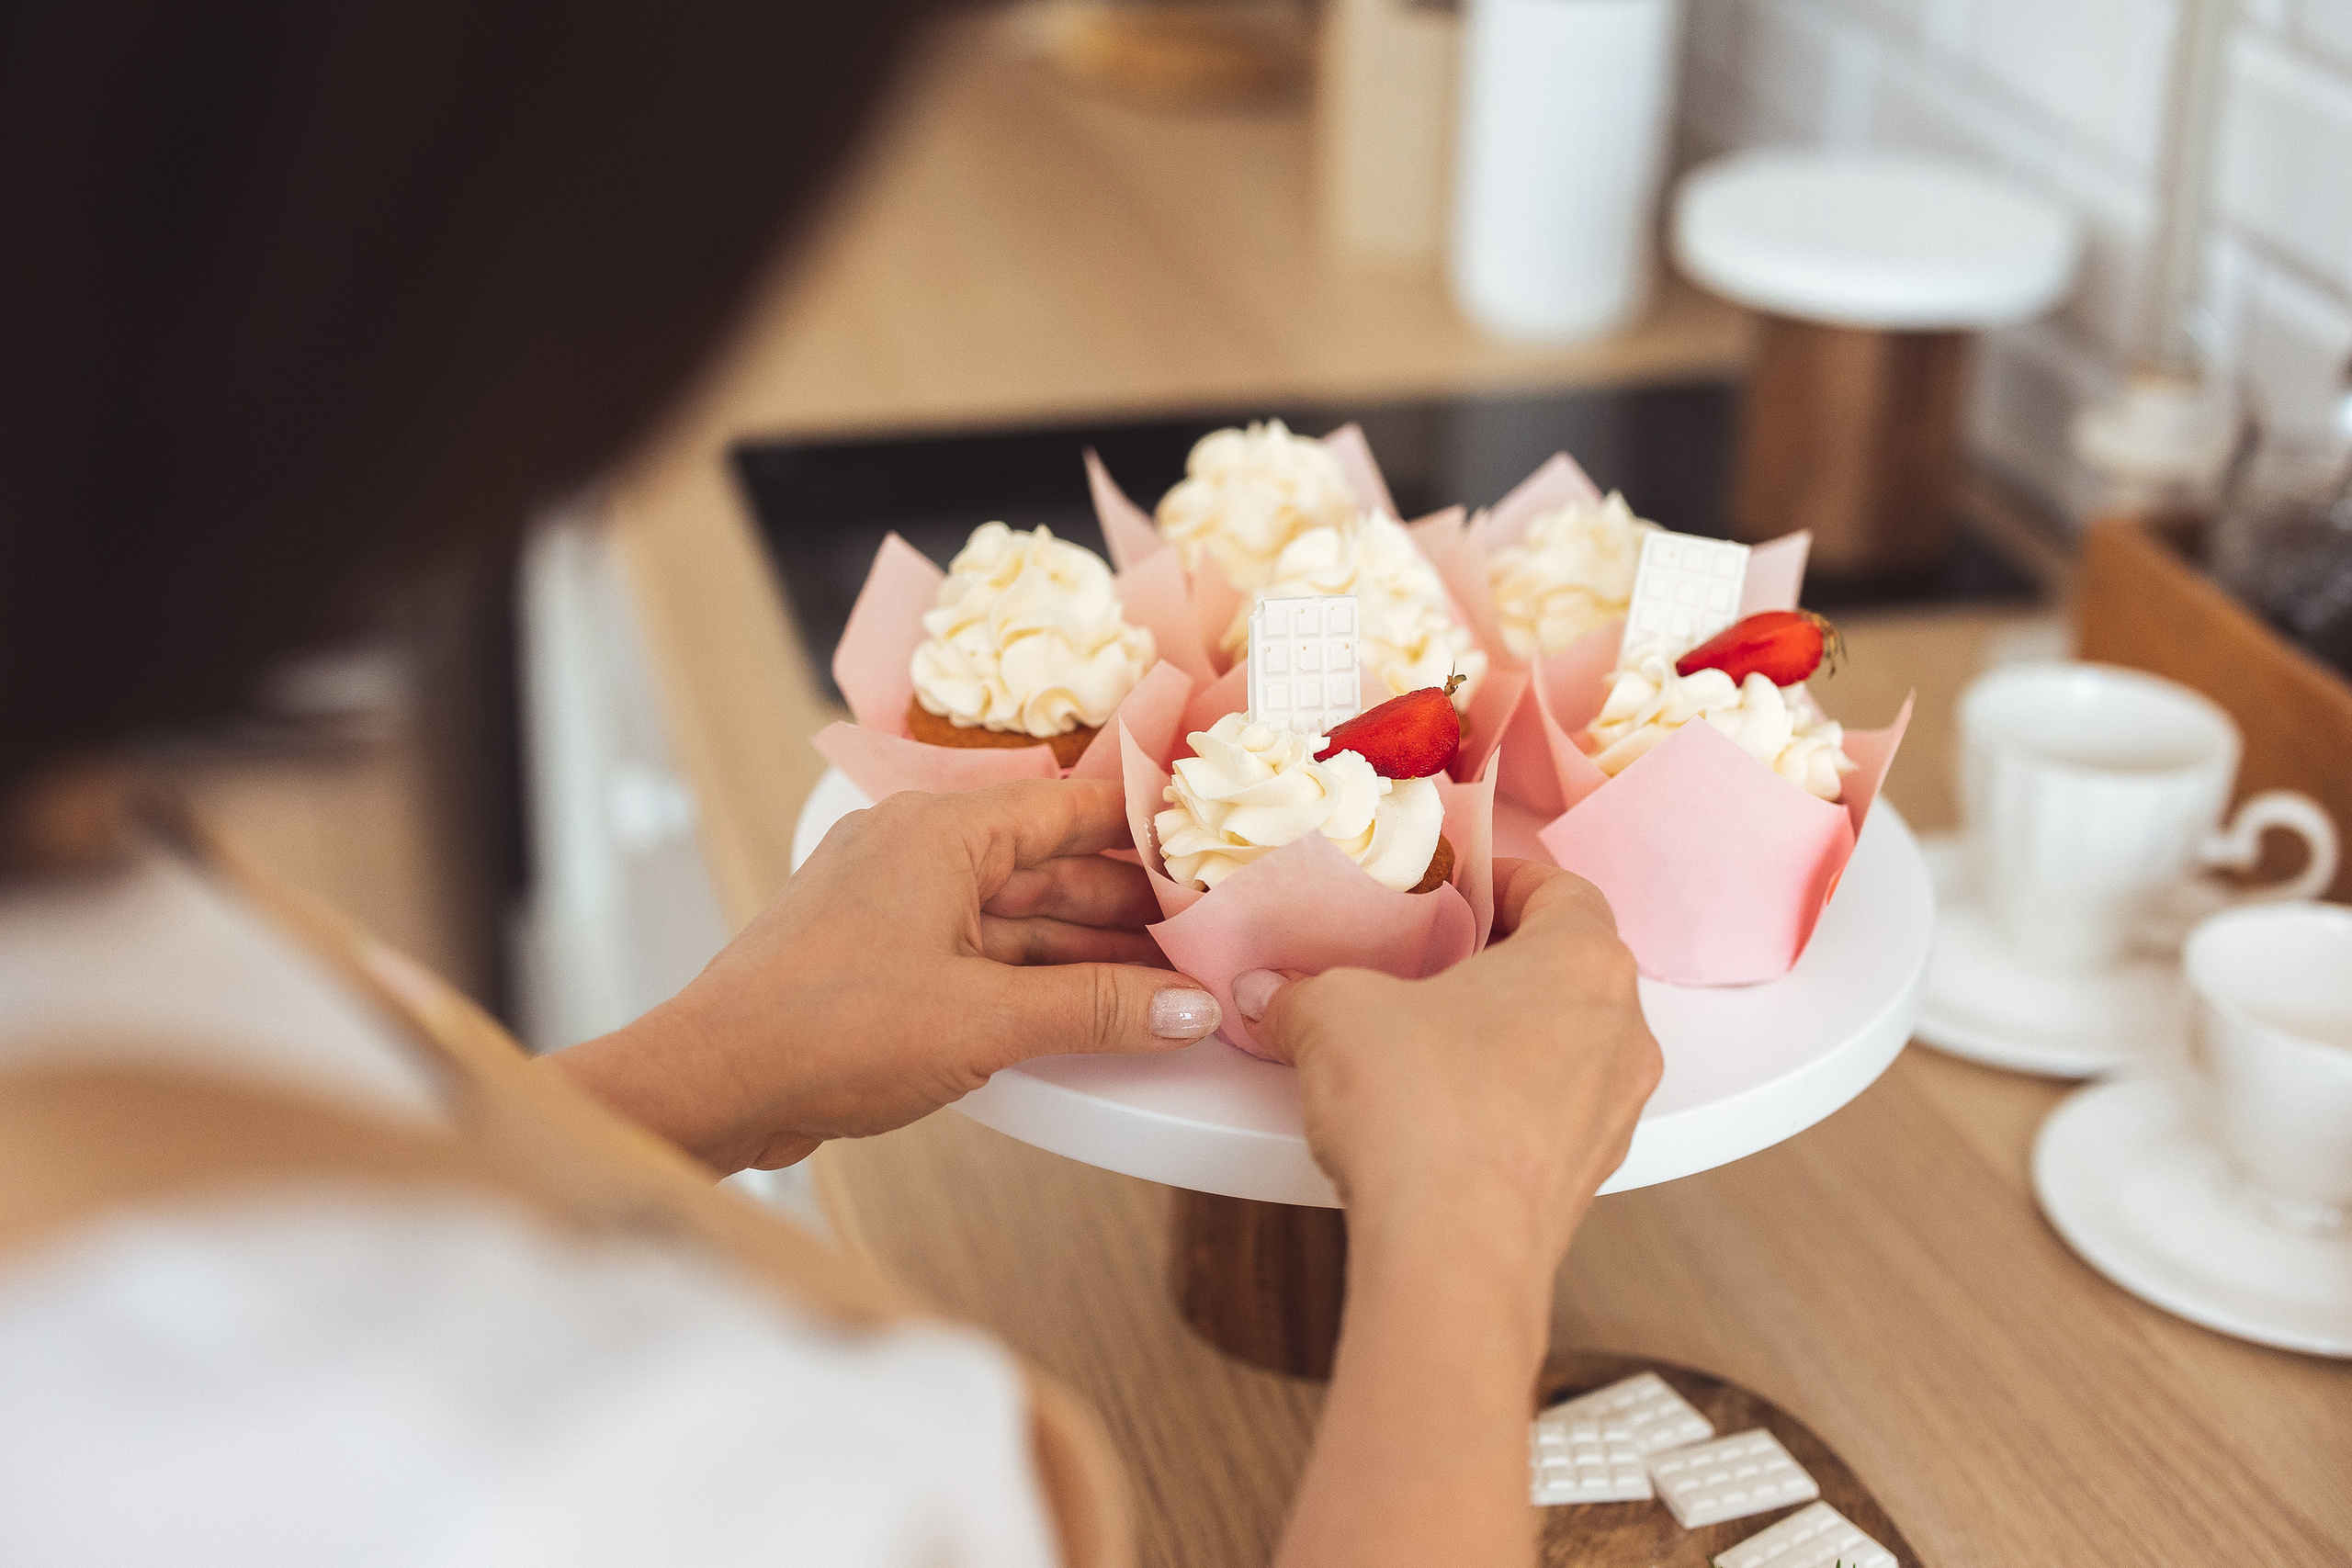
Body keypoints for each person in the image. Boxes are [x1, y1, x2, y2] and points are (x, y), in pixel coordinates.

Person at [0, 3, 1661, 1564]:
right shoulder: (643, 1480)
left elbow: (271, 1228)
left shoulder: (74, 850)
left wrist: (699, 1075)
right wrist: (1471, 1231)